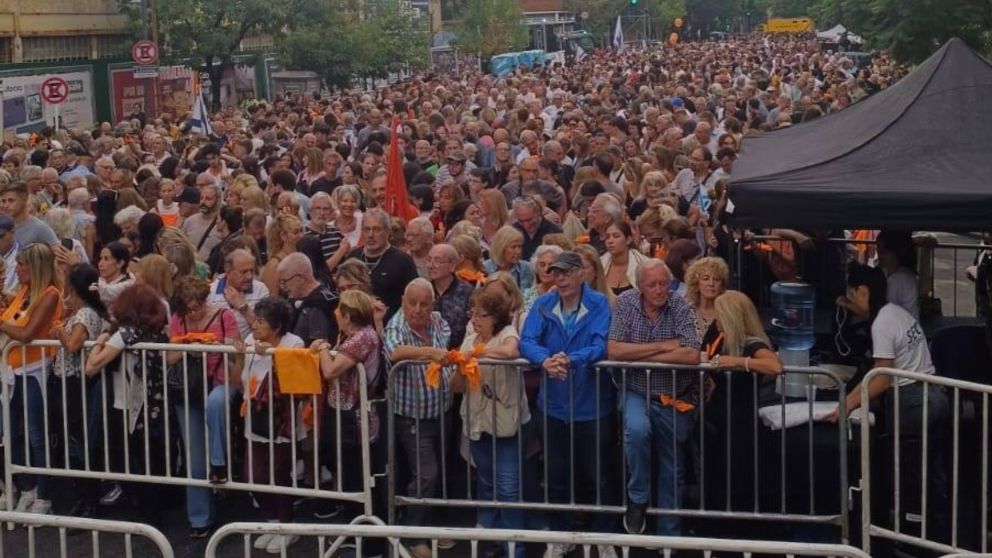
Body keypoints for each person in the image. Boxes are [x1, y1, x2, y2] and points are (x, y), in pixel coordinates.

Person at [828, 263, 949, 535]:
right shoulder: (896, 312)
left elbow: (881, 377)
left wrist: (847, 403)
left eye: (853, 295)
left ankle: (908, 531)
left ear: (863, 291)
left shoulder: (882, 323)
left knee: (908, 469)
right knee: (933, 467)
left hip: (913, 401)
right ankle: (937, 526)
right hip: (936, 394)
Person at [519, 251, 618, 557]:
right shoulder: (543, 303)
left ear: (580, 274)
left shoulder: (600, 303)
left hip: (593, 405)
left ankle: (605, 538)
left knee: (598, 475)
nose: (558, 278)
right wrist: (545, 360)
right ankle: (562, 535)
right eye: (554, 273)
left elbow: (601, 344)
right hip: (554, 405)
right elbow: (527, 340)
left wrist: (569, 359)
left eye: (564, 273)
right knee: (557, 476)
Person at [606, 259, 701, 537]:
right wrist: (663, 346)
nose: (660, 290)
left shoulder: (680, 304)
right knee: (636, 431)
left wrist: (639, 351)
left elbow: (692, 355)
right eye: (652, 285)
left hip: (674, 396)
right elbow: (614, 351)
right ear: (640, 286)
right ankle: (637, 499)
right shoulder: (625, 303)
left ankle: (670, 538)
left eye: (663, 284)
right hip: (637, 390)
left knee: (673, 469)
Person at [453, 287, 529, 558]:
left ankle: (515, 549)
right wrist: (459, 365)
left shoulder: (506, 333)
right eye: (472, 313)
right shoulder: (469, 335)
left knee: (508, 488)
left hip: (505, 422)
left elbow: (510, 352)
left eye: (481, 315)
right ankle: (490, 543)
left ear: (496, 317)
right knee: (486, 483)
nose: (475, 319)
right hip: (476, 421)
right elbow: (458, 385)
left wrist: (476, 355)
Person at [85, 284, 169, 524]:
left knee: (131, 458)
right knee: (151, 458)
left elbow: (91, 367)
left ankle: (143, 509)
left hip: (128, 405)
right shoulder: (158, 331)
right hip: (155, 405)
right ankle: (152, 510)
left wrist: (101, 339)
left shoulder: (124, 334)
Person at [168, 275, 242, 536]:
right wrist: (191, 344)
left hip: (220, 383)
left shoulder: (224, 316)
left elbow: (237, 350)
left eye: (197, 304)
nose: (194, 310)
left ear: (204, 299)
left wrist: (217, 345)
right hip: (188, 389)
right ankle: (199, 519)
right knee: (193, 458)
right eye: (188, 306)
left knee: (215, 402)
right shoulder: (178, 319)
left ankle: (219, 462)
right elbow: (169, 356)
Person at [384, 278, 453, 558]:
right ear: (402, 300)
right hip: (412, 417)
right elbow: (394, 351)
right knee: (426, 474)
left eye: (424, 304)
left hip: (442, 411)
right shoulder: (396, 326)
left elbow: (446, 340)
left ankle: (429, 527)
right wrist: (430, 352)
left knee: (438, 473)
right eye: (412, 302)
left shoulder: (438, 321)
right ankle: (415, 536)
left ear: (432, 305)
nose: (417, 309)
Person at [698, 290, 782, 511]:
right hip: (718, 415)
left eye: (719, 315)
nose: (716, 320)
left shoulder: (751, 343)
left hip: (741, 419)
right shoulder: (718, 337)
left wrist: (739, 362)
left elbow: (774, 366)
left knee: (737, 472)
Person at [311, 289, 385, 526]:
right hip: (345, 416)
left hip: (358, 420)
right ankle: (355, 531)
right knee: (349, 475)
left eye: (339, 311)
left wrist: (322, 347)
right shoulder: (350, 336)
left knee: (359, 476)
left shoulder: (362, 337)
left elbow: (331, 370)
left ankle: (369, 539)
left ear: (347, 316)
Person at [0, 243, 64, 514]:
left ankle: (45, 496)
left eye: (23, 264)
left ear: (35, 267)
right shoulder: (24, 292)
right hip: (11, 372)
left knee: (36, 434)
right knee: (8, 433)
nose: (18, 268)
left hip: (34, 370)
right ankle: (27, 487)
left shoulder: (49, 294)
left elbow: (26, 334)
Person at [237, 296, 304, 553]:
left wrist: (275, 357)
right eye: (255, 319)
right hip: (254, 417)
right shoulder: (250, 342)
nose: (254, 325)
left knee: (278, 475)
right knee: (253, 476)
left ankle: (288, 528)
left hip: (281, 420)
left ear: (276, 327)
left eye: (261, 321)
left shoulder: (293, 343)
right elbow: (241, 379)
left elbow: (295, 380)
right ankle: (272, 520)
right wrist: (237, 353)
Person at [50, 263, 109, 517]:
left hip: (78, 383)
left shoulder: (85, 314)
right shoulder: (85, 311)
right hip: (71, 381)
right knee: (75, 439)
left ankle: (89, 498)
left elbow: (74, 345)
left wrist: (60, 331)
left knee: (80, 440)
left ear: (72, 286)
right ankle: (84, 496)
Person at [348, 208, 419, 323]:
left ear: (387, 231)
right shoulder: (353, 258)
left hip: (391, 326)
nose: (371, 235)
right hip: (356, 324)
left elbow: (413, 299)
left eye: (376, 229)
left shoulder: (403, 261)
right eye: (367, 229)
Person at [277, 252, 339, 345]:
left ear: (300, 278)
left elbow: (318, 346)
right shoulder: (297, 302)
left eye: (284, 281)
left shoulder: (319, 305)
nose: (283, 287)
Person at [209, 248, 270, 339]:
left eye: (251, 271)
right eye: (244, 272)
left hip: (251, 349)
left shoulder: (261, 290)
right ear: (228, 272)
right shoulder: (210, 292)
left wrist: (243, 307)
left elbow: (266, 331)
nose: (249, 277)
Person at [0, 182, 58, 247]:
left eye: (11, 201)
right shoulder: (2, 225)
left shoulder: (40, 228)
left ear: (25, 200)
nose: (6, 205)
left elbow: (58, 252)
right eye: (4, 201)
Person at [685, 257, 730, 338]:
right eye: (705, 279)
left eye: (716, 279)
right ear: (696, 283)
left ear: (722, 285)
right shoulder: (685, 312)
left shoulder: (727, 314)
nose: (711, 284)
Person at [601, 221, 648, 298]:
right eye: (607, 237)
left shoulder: (644, 264)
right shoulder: (600, 264)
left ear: (628, 240)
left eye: (616, 236)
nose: (610, 241)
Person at [181, 179, 224, 261]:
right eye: (201, 198)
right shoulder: (190, 221)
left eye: (208, 199)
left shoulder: (221, 224)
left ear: (218, 201)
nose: (203, 202)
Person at [261, 213, 303, 295]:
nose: (301, 235)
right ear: (283, 236)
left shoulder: (302, 255)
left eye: (301, 230)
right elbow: (272, 298)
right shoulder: (274, 265)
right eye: (296, 232)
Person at [484, 226, 535, 292]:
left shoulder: (526, 268)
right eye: (513, 247)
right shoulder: (485, 268)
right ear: (501, 248)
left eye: (520, 247)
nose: (518, 251)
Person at [513, 196, 562, 260]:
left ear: (538, 212)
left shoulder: (554, 232)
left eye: (529, 220)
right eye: (521, 221)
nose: (526, 225)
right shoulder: (513, 232)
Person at [523, 244, 563, 312]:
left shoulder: (565, 294)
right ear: (536, 266)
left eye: (551, 265)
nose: (546, 269)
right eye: (542, 265)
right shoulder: (528, 295)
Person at [95, 241, 135, 306]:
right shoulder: (101, 279)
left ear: (120, 263)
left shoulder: (129, 282)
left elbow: (106, 292)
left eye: (106, 259)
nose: (100, 264)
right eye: (100, 259)